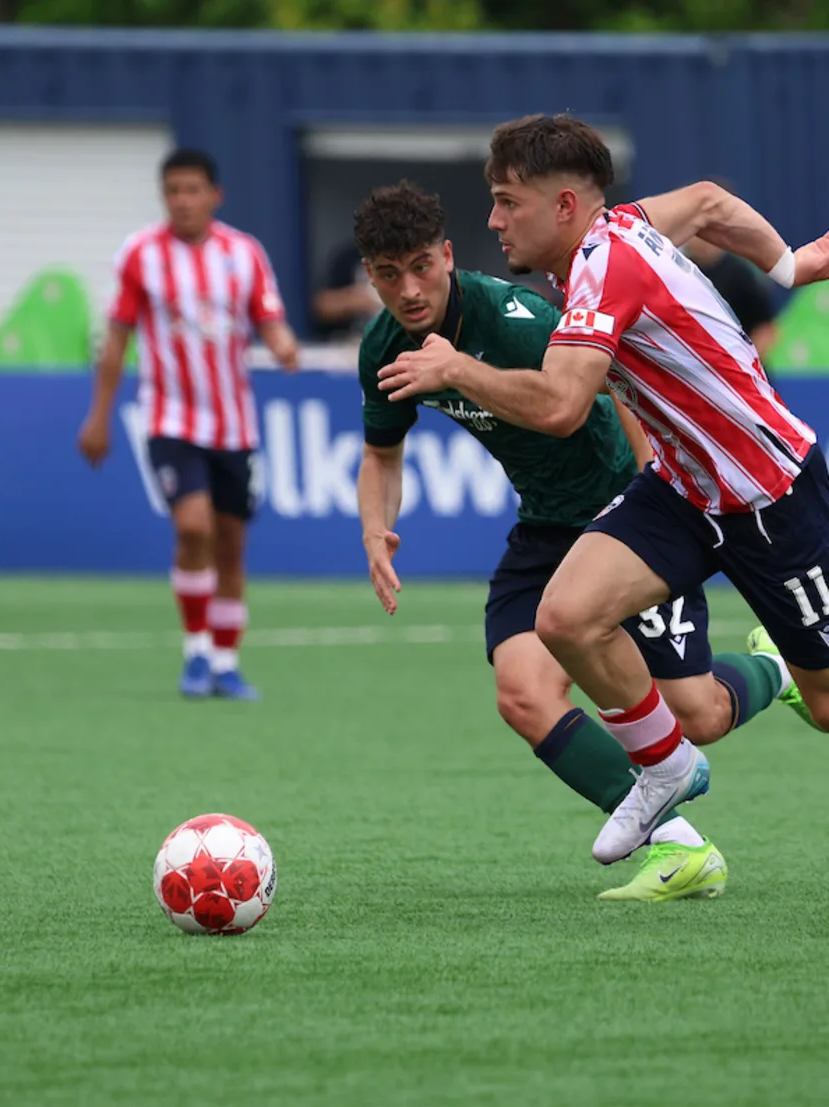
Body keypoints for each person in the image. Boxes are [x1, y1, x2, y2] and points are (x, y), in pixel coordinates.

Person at [377, 115, 829, 867]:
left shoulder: (605, 267)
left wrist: (455, 369)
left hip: (770, 494)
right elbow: (711, 202)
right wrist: (788, 266)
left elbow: (560, 406)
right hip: (684, 491)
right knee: (565, 615)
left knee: (824, 706)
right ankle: (666, 767)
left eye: (505, 201)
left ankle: (755, 696)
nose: (493, 220)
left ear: (561, 206)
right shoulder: (620, 228)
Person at [78, 147, 299, 700]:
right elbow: (118, 340)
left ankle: (225, 662)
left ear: (214, 196)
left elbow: (269, 320)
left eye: (192, 190)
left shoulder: (244, 253)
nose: (182, 201)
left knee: (230, 544)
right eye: (173, 191)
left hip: (234, 426)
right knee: (193, 526)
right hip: (169, 418)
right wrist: (98, 417)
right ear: (164, 197)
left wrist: (284, 345)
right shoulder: (140, 255)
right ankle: (195, 651)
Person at [684, 231, 779, 365]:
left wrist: (743, 365)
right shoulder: (677, 269)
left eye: (702, 233)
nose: (698, 239)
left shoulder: (740, 274)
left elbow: (766, 329)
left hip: (738, 370)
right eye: (693, 233)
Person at [313, 242, 382, 340]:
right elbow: (322, 305)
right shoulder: (349, 258)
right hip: (356, 341)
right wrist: (355, 299)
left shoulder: (405, 256)